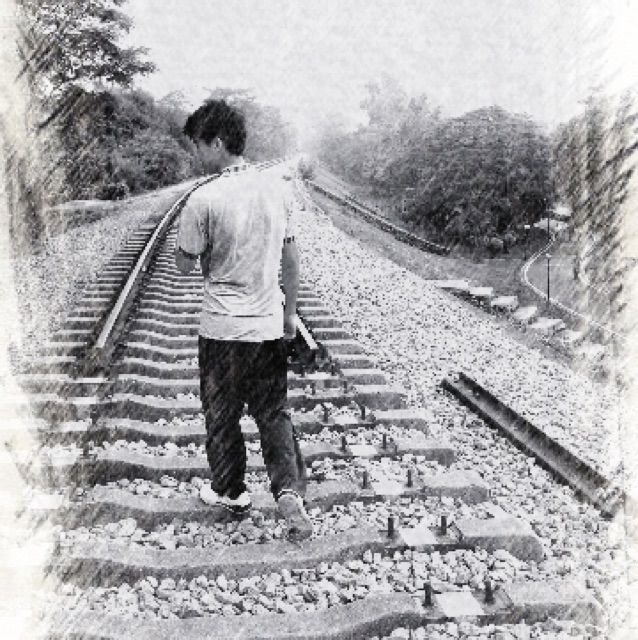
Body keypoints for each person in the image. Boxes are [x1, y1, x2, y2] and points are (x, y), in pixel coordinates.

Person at [174, 99, 312, 541]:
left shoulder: (203, 198)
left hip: (222, 329)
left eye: (199, 145)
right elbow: (291, 259)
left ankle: (230, 491)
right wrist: (289, 316)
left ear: (217, 142)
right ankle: (287, 489)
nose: (197, 154)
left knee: (222, 414)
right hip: (267, 325)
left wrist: (196, 249)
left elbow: (183, 264)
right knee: (273, 412)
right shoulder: (278, 190)